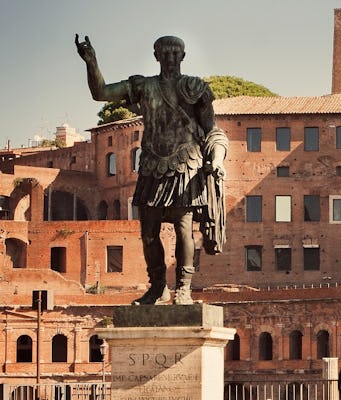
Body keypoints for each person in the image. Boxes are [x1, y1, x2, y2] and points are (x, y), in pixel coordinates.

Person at [75, 34, 227, 305]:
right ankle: (158, 286)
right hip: (153, 165)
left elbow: (212, 130)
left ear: (183, 56)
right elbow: (101, 93)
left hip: (186, 165)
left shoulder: (195, 88)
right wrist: (91, 62)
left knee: (183, 229)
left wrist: (216, 159)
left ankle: (183, 287)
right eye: (164, 53)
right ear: (156, 56)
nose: (169, 58)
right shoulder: (143, 86)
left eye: (174, 53)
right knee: (148, 232)